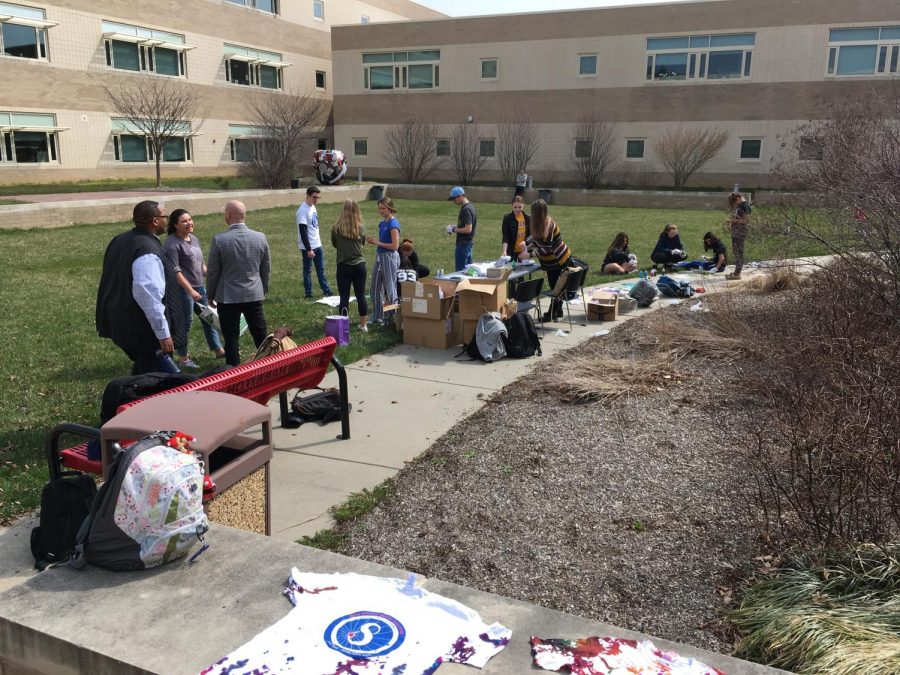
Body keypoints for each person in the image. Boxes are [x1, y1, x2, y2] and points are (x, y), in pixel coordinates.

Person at [96, 200, 187, 375]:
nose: (166, 220)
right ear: (154, 221)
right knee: (158, 377)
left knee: (144, 368)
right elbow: (148, 295)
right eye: (164, 216)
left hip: (120, 322)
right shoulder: (147, 250)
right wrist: (163, 334)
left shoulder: (120, 239)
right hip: (142, 330)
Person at [207, 200, 271, 366]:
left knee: (231, 337)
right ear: (244, 215)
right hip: (253, 293)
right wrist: (262, 289)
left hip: (228, 296)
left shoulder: (220, 240)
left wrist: (210, 295)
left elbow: (213, 272)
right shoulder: (260, 237)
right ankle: (268, 363)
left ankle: (233, 369)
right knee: (260, 334)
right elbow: (266, 269)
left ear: (228, 215)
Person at [163, 209, 226, 368]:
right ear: (175, 225)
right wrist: (190, 291)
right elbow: (175, 271)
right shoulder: (172, 244)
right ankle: (183, 359)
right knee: (184, 323)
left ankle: (218, 349)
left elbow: (200, 264)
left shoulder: (194, 238)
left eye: (190, 219)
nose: (189, 223)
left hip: (199, 287)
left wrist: (211, 277)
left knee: (209, 317)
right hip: (182, 290)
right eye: (184, 221)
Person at [528, 198, 573, 322]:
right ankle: (558, 311)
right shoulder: (540, 223)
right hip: (550, 262)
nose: (531, 214)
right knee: (557, 287)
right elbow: (536, 238)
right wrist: (527, 244)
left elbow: (547, 248)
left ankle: (551, 313)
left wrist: (530, 255)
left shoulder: (549, 224)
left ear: (538, 213)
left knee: (556, 289)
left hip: (559, 260)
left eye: (533, 212)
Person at [330, 200, 369, 333]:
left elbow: (335, 244)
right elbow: (362, 243)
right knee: (361, 296)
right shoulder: (361, 228)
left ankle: (343, 327)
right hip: (360, 266)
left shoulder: (336, 228)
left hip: (343, 266)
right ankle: (363, 325)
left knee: (344, 297)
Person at [366, 197, 401, 325]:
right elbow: (383, 243)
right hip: (380, 257)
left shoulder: (393, 224)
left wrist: (378, 242)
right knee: (374, 287)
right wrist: (375, 242)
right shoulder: (382, 223)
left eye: (383, 208)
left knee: (390, 288)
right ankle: (377, 316)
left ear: (390, 208)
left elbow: (395, 246)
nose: (381, 211)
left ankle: (392, 318)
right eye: (379, 208)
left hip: (389, 258)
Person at [296, 186, 333, 298]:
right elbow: (303, 231)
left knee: (321, 270)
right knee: (307, 271)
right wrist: (308, 249)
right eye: (314, 197)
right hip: (309, 247)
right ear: (307, 196)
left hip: (318, 244)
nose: (316, 199)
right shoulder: (302, 210)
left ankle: (327, 291)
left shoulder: (313, 207)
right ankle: (308, 293)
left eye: (318, 197)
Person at [447, 186, 477, 272]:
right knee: (469, 272)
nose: (453, 201)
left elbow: (468, 229)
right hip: (468, 244)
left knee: (460, 273)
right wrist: (455, 227)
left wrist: (454, 230)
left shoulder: (466, 209)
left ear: (460, 196)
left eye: (454, 199)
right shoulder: (470, 207)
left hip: (463, 245)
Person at [726, 192, 751, 280]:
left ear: (738, 199)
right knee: (736, 251)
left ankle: (737, 273)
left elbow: (746, 221)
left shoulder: (745, 207)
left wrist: (733, 221)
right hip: (736, 232)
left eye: (734, 202)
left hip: (740, 232)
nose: (734, 205)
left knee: (739, 252)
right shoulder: (740, 206)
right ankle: (736, 271)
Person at [500, 196, 531, 262]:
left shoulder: (528, 218)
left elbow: (532, 235)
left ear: (523, 205)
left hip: (524, 251)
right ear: (512, 206)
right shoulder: (507, 218)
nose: (517, 209)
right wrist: (504, 251)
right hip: (511, 251)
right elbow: (505, 236)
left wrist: (525, 242)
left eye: (520, 207)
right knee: (510, 270)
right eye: (515, 207)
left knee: (523, 270)